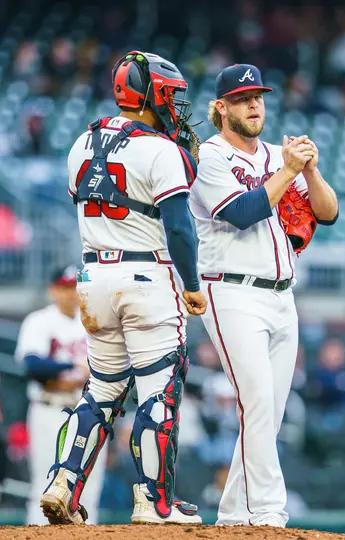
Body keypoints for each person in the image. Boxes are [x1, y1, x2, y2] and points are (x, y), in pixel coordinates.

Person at [40, 50, 207, 525]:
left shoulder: (81, 141)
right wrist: (192, 283)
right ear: (151, 92)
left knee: (101, 391)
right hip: (147, 277)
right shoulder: (161, 149)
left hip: (93, 276)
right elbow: (179, 229)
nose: (176, 104)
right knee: (160, 391)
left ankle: (63, 483)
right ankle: (154, 504)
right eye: (171, 94)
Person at [189, 63, 338, 527]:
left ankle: (234, 513)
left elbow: (328, 212)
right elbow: (242, 212)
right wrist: (288, 170)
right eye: (241, 98)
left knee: (268, 414)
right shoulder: (208, 156)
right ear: (221, 107)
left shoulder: (278, 154)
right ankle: (269, 511)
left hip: (281, 294)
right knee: (255, 401)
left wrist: (309, 172)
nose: (254, 104)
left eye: (258, 96)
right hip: (231, 292)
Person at [15, 265, 106, 525]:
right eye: (65, 287)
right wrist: (74, 367)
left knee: (88, 488)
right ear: (53, 290)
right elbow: (32, 366)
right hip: (50, 409)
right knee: (45, 484)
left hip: (89, 412)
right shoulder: (40, 320)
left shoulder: (94, 321)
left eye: (75, 287)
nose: (71, 294)